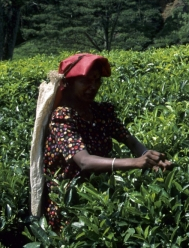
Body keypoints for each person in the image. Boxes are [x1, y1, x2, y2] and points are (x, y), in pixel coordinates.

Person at [31, 54, 172, 230]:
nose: (93, 87)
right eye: (86, 81)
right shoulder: (62, 117)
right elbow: (84, 162)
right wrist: (136, 162)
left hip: (100, 197)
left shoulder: (101, 112)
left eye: (97, 81)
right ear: (69, 83)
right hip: (70, 204)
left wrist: (150, 156)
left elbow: (132, 142)